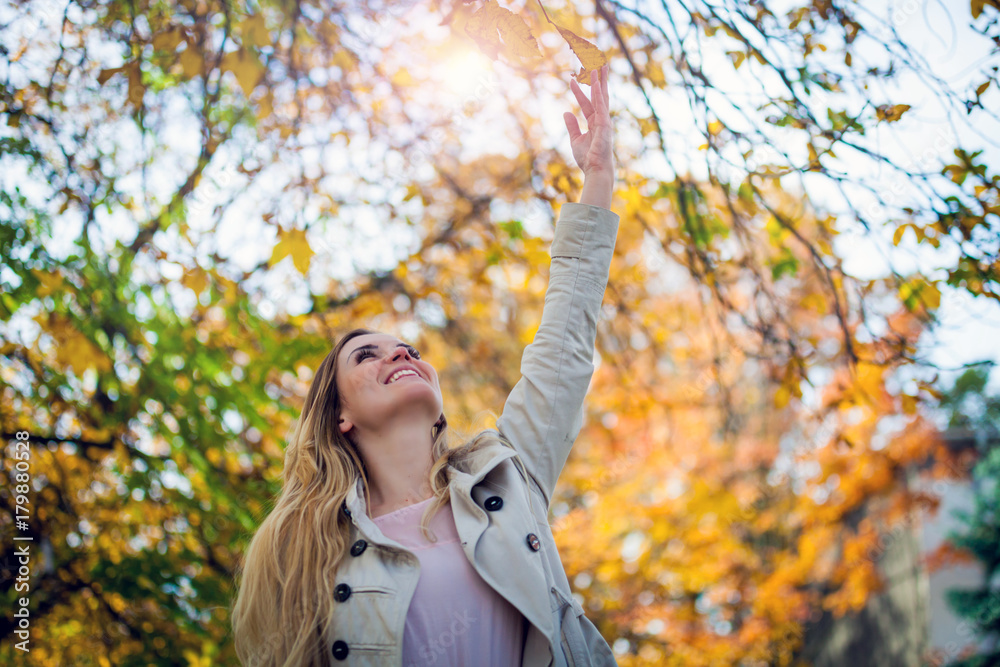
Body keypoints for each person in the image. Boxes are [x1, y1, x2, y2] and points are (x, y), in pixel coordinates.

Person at [232, 64, 620, 667]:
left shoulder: (507, 480)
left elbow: (563, 347)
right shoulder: (304, 552)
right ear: (340, 417)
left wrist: (597, 182)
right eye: (368, 354)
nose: (401, 354)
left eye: (407, 348)